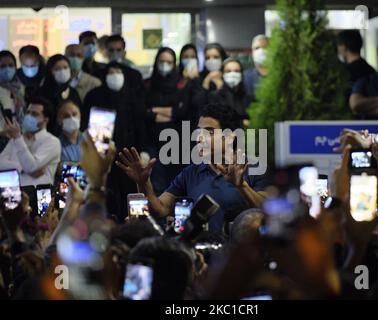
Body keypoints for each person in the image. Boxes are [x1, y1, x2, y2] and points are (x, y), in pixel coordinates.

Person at [116, 103, 267, 232]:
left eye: (209, 132)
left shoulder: (254, 167)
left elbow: (268, 211)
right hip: (200, 256)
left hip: (239, 257)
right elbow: (160, 209)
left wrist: (241, 186)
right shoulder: (190, 173)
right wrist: (143, 183)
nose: (200, 138)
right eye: (198, 132)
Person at [83, 62, 149, 221]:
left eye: (118, 71)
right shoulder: (95, 96)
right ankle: (106, 222)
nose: (114, 75)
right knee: (108, 192)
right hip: (104, 157)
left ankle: (137, 224)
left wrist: (144, 151)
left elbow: (141, 125)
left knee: (133, 191)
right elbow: (88, 126)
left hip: (130, 155)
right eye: (111, 72)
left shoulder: (133, 96)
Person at [144, 47, 190, 194]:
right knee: (157, 186)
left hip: (175, 143)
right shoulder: (147, 85)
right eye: (162, 61)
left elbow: (181, 112)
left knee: (176, 186)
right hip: (153, 143)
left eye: (169, 62)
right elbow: (144, 112)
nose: (165, 65)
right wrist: (169, 112)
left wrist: (155, 110)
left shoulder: (181, 85)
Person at [0, 97, 60, 186]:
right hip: (12, 192)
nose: (29, 116)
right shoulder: (18, 139)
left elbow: (32, 167)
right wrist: (21, 168)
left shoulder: (52, 142)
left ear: (45, 120)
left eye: (34, 114)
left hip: (38, 195)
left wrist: (17, 138)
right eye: (28, 112)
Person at [36, 54, 82, 133]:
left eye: (65, 67)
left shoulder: (73, 93)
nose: (62, 71)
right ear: (50, 71)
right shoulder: (40, 93)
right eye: (57, 69)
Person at [208, 58, 251, 125]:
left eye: (236, 71)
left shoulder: (248, 97)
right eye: (228, 71)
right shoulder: (214, 97)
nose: (232, 74)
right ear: (222, 74)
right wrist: (241, 123)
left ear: (241, 74)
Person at [177, 44, 206, 131]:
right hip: (179, 127)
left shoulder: (201, 78)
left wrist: (195, 79)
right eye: (186, 57)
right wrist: (185, 80)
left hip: (197, 125)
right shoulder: (176, 78)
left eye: (193, 57)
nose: (189, 59)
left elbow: (199, 102)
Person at [0, 50, 26, 123]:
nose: (7, 69)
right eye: (2, 66)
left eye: (11, 65)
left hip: (19, 131)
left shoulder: (20, 87)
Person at [244, 34, 269, 101]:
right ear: (252, 52)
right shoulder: (245, 77)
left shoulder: (280, 76)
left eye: (265, 47)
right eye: (257, 48)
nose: (261, 51)